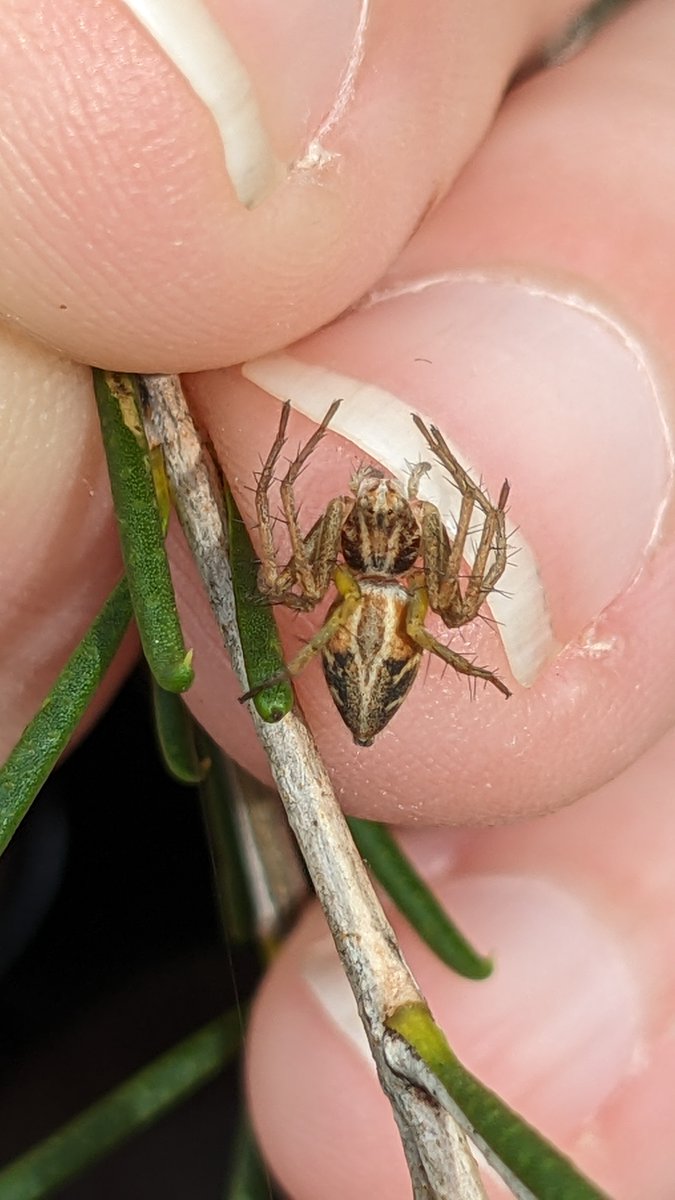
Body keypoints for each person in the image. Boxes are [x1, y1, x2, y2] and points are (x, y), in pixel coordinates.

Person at [0, 2, 671, 1194]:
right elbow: (394, 558)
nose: (382, 523)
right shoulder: (399, 585)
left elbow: (398, 583)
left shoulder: (362, 585)